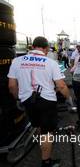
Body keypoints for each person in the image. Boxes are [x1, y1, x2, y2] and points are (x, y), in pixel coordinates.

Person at [8, 36, 70, 167]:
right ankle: (46, 161)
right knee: (48, 131)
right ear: (46, 48)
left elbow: (12, 86)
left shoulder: (16, 61)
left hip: (27, 100)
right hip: (46, 101)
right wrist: (68, 98)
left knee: (37, 125)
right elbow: (61, 86)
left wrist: (18, 98)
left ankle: (41, 142)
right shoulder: (50, 63)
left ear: (32, 47)